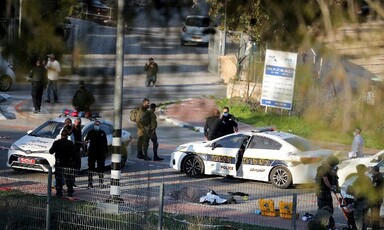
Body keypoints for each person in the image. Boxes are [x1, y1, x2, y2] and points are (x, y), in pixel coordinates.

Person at [49, 130, 75, 197]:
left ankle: (59, 192)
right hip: (68, 164)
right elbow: (74, 153)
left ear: (61, 135)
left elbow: (51, 151)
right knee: (69, 178)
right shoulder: (70, 143)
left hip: (59, 163)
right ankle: (70, 192)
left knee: (59, 178)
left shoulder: (57, 143)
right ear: (67, 136)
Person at [347, 164, 372, 230]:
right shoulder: (368, 178)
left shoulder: (358, 180)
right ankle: (364, 228)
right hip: (367, 201)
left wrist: (354, 201)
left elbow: (357, 192)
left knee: (359, 219)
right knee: (364, 217)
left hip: (360, 202)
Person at [85, 120, 108, 188]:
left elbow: (105, 143)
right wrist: (86, 149)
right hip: (92, 153)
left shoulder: (102, 133)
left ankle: (101, 183)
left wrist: (105, 152)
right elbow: (86, 141)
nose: (97, 126)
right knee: (91, 168)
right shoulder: (91, 132)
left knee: (101, 168)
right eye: (96, 125)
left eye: (98, 125)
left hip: (100, 153)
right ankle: (90, 182)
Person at [369, 165, 383, 230]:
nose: (371, 171)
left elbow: (373, 188)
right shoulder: (380, 176)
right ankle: (376, 227)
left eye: (372, 170)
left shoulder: (377, 178)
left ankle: (375, 227)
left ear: (374, 171)